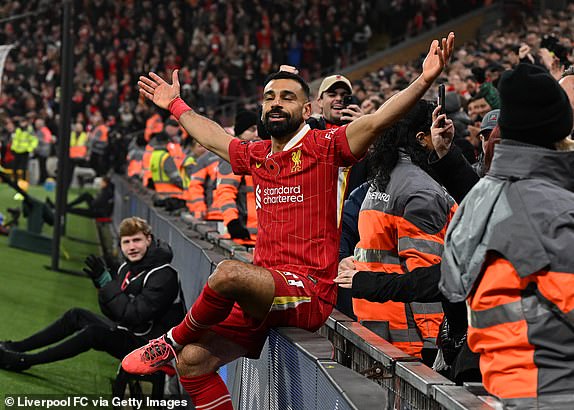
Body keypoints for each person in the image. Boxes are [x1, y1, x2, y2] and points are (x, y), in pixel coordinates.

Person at [122, 32, 454, 410]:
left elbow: (377, 120)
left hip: (308, 290)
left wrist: (424, 80)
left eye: (287, 97)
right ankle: (178, 349)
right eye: (270, 97)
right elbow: (213, 137)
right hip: (266, 290)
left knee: (229, 274)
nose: (276, 104)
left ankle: (170, 340)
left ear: (307, 108)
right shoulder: (258, 154)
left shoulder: (325, 146)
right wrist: (176, 104)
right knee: (193, 364)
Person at [440, 63, 574, 408]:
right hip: (554, 394)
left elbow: (452, 292)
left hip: (501, 388)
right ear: (560, 129)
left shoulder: (476, 200)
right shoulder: (552, 210)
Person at [335, 100, 454, 364]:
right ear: (422, 138)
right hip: (411, 345)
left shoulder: (380, 181)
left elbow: (382, 255)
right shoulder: (421, 190)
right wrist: (438, 344)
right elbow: (427, 275)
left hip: (374, 327)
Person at [0, 217, 184, 372]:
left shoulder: (163, 274)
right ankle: (16, 347)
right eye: (126, 242)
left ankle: (26, 361)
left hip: (151, 347)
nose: (132, 247)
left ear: (149, 240)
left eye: (137, 240)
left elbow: (133, 315)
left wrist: (108, 285)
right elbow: (113, 313)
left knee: (94, 333)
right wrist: (102, 287)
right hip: (130, 331)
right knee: (76, 315)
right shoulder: (127, 268)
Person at [210, 110, 260, 241]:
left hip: (258, 237)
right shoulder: (234, 156)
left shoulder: (254, 154)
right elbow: (225, 192)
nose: (256, 134)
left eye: (258, 129)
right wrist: (233, 223)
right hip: (243, 236)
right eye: (252, 129)